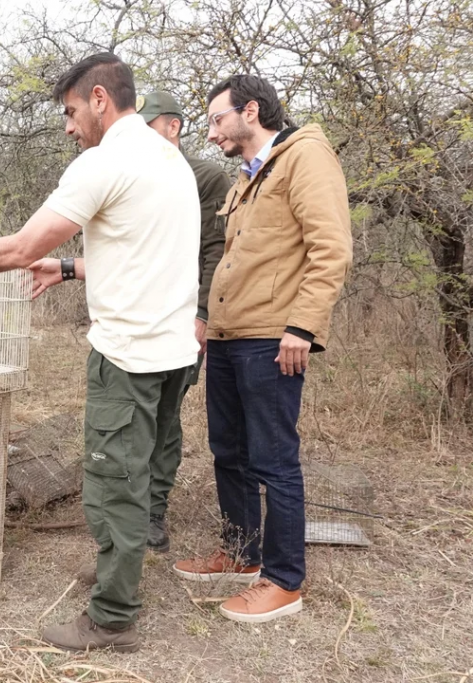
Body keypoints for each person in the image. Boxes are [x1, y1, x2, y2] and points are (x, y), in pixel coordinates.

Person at [0, 54, 200, 652]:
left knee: (111, 482)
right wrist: (71, 267)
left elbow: (22, 246)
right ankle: (116, 570)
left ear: (100, 99)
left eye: (71, 113)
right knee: (145, 468)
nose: (70, 127)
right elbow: (143, 249)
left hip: (127, 353)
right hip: (174, 348)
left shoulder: (106, 161)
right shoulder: (167, 157)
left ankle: (112, 616)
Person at [173, 75, 352, 623]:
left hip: (273, 339)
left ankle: (283, 580)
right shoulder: (245, 180)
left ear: (251, 111)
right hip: (230, 335)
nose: (211, 133)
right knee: (229, 452)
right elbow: (232, 261)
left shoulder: (306, 157)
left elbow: (331, 247)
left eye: (217, 119)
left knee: (274, 460)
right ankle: (242, 555)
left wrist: (302, 326)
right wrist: (206, 318)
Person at [138, 91, 231, 552]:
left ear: (171, 126)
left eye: (147, 125)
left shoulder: (206, 176)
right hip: (138, 318)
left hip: (181, 318)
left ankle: (154, 512)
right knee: (130, 418)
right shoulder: (135, 174)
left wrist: (202, 313)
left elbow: (217, 250)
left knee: (164, 417)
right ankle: (127, 509)